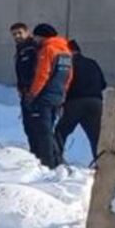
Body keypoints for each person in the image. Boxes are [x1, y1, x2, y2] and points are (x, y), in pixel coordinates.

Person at [25, 24, 74, 168]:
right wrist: (63, 94)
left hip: (45, 96)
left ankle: (48, 164)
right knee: (50, 128)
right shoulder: (66, 51)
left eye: (36, 37)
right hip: (58, 96)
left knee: (44, 130)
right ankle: (57, 159)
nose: (35, 40)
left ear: (42, 36)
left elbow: (42, 74)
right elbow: (69, 76)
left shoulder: (47, 49)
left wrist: (32, 94)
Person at [55, 40, 106, 161]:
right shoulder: (92, 63)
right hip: (96, 102)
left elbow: (61, 83)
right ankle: (101, 164)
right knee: (97, 137)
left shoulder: (67, 65)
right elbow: (103, 84)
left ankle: (55, 161)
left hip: (74, 102)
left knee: (60, 132)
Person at [11, 22, 39, 149]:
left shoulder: (33, 49)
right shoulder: (21, 50)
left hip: (34, 92)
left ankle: (44, 158)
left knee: (37, 127)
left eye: (19, 33)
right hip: (25, 92)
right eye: (14, 34)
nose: (17, 36)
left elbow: (36, 70)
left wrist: (32, 89)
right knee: (28, 126)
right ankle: (35, 152)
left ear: (27, 32)